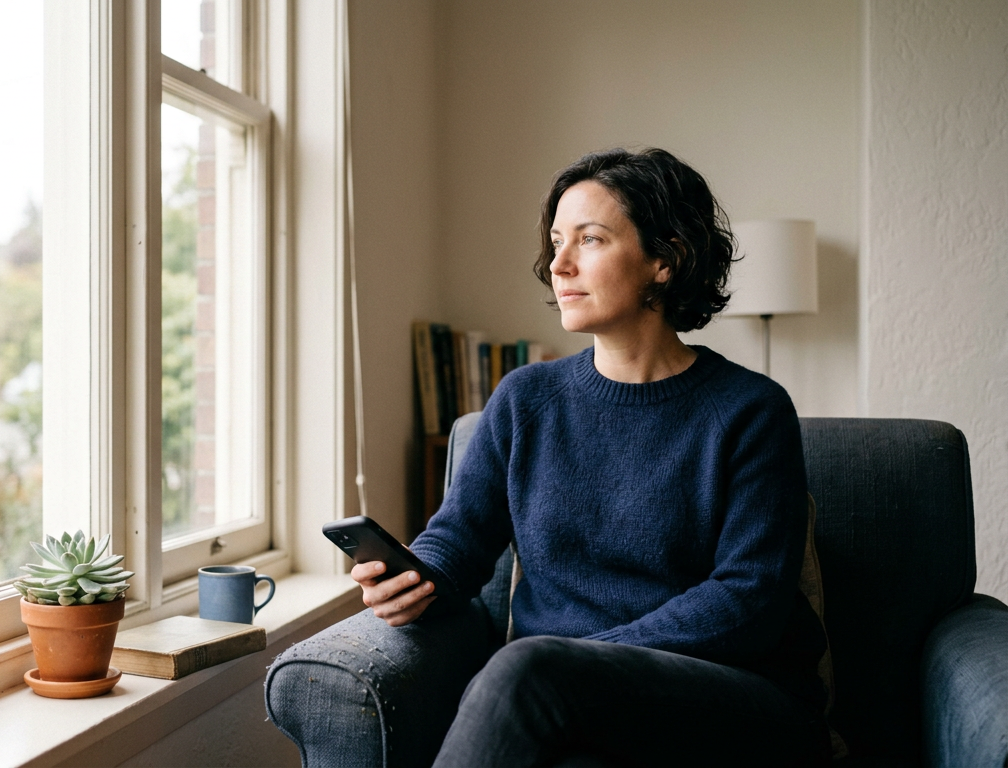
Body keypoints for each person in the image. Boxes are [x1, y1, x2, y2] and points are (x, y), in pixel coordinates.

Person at [352, 148, 830, 766]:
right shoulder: (527, 399)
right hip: (562, 693)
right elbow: (458, 543)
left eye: (591, 239)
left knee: (531, 674)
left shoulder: (751, 410)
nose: (560, 264)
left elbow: (750, 599)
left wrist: (582, 658)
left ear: (667, 258)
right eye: (556, 242)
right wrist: (411, 579)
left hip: (732, 696)